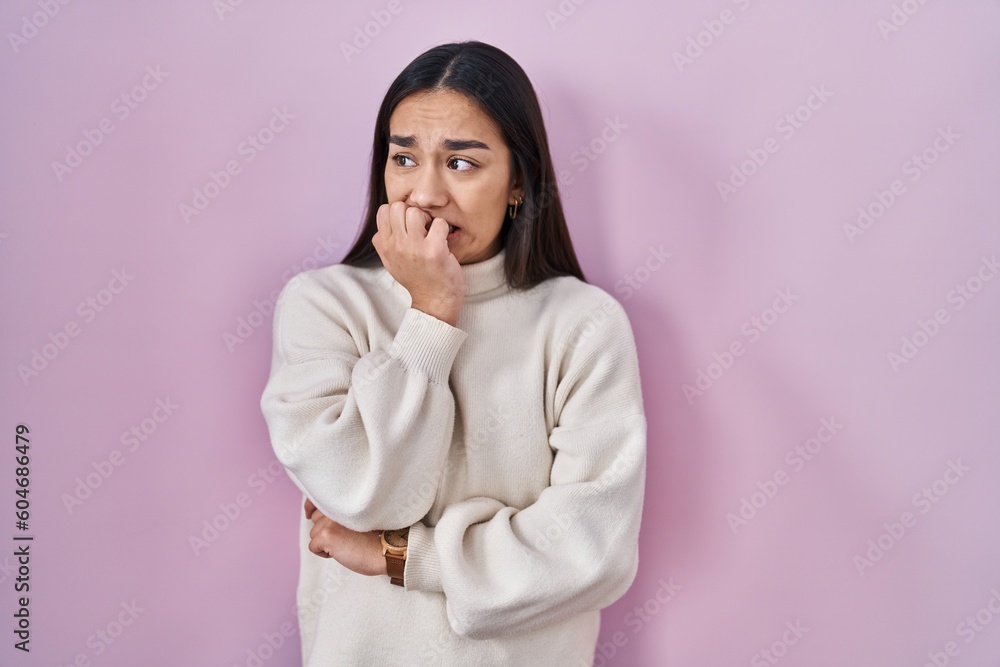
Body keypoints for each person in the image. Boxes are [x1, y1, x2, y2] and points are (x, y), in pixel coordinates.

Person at [259, 39, 647, 666]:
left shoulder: (583, 324)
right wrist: (432, 312)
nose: (425, 194)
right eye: (404, 158)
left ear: (518, 180)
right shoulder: (323, 306)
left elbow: (594, 551)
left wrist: (404, 556)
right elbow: (366, 494)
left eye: (462, 164)